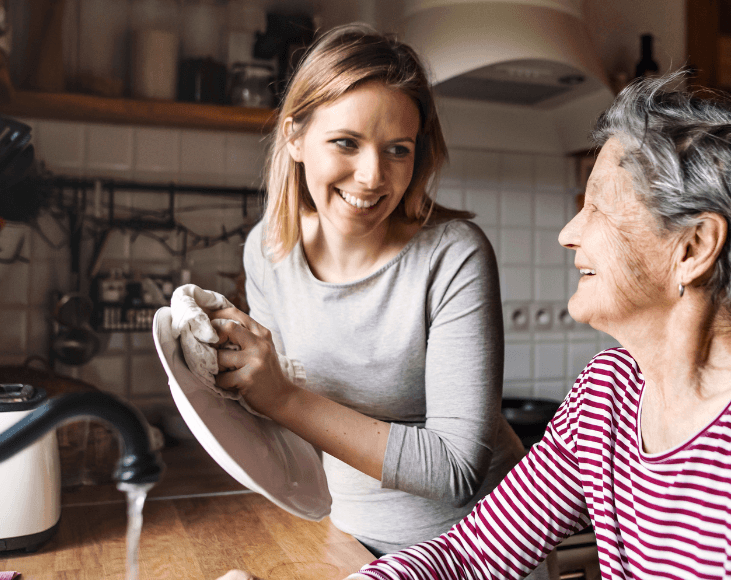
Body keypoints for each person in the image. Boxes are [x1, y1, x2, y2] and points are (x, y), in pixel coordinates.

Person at [334, 72, 731, 579]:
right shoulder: (609, 389)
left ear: (693, 247)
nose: (568, 233)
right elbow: (474, 554)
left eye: (597, 207)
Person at [207, 23, 531, 568]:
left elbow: (457, 470)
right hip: (350, 542)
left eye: (397, 150)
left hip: (477, 554)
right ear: (295, 137)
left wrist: (282, 397)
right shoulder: (266, 254)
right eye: (346, 142)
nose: (372, 176)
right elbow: (282, 425)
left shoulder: (453, 256)